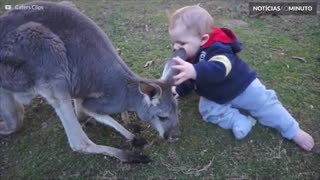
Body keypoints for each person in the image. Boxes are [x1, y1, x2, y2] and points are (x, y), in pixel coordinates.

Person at [169, 5, 314, 151]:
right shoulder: (189, 53)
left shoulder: (217, 47)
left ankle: (292, 130)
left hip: (242, 87)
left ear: (203, 39)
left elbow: (221, 68)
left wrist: (194, 70)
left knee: (266, 104)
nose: (176, 47)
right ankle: (238, 120)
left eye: (181, 43)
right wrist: (180, 88)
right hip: (216, 94)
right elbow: (189, 77)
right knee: (207, 110)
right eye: (174, 42)